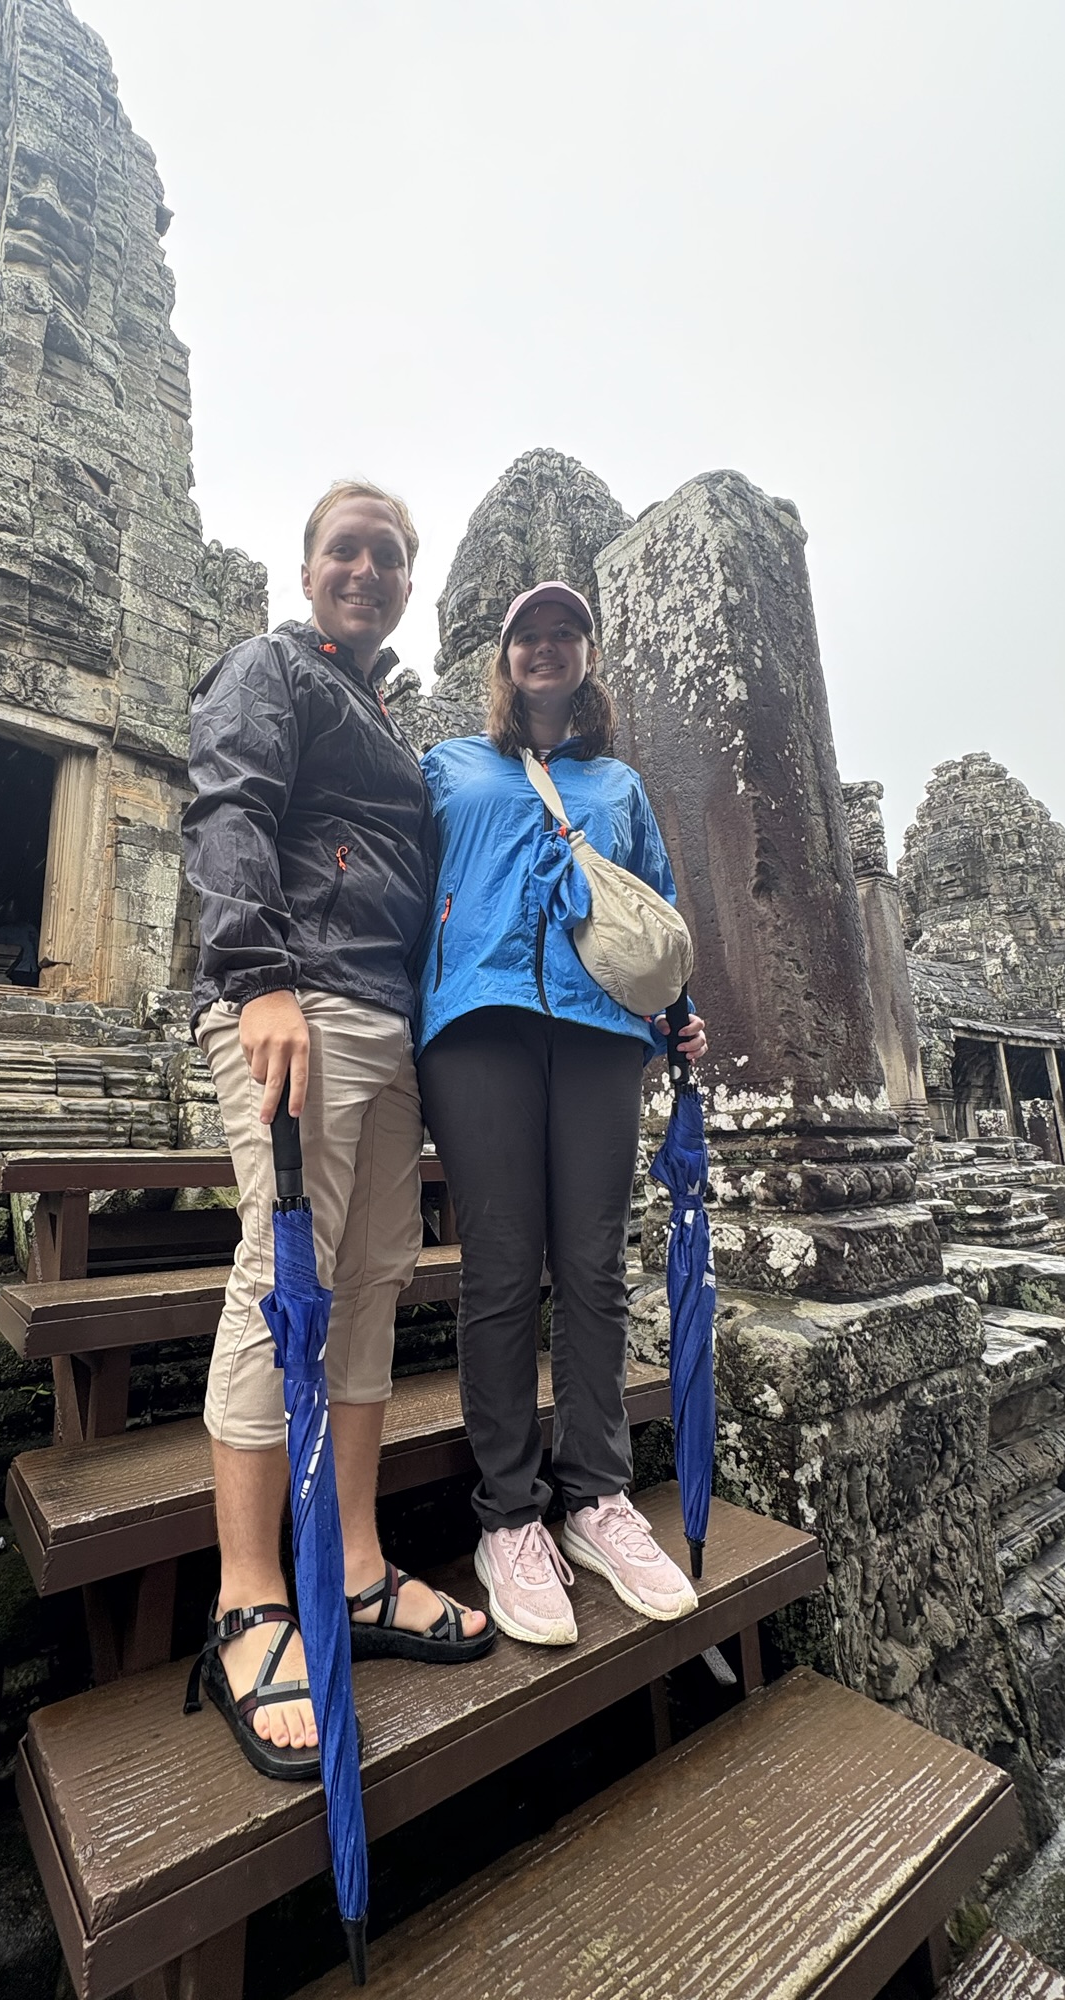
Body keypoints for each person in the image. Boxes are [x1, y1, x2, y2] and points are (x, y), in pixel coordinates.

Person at [181, 480, 492, 1781]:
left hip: (386, 1023)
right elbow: (231, 810)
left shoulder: (385, 722)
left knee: (371, 1285)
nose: (366, 571)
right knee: (284, 1277)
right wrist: (257, 978)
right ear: (309, 567)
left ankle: (357, 1564)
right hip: (297, 1003)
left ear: (408, 581)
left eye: (388, 556)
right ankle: (249, 1600)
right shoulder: (272, 669)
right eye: (345, 550)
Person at [415, 581, 709, 1647]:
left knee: (593, 1263)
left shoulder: (619, 784)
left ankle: (597, 1497)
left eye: (563, 634)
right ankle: (508, 1514)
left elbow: (654, 908)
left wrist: (680, 1016)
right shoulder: (449, 766)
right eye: (527, 636)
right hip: (477, 1020)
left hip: (597, 1032)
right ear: (503, 659)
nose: (545, 648)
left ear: (587, 655)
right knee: (501, 1265)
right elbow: (409, 894)